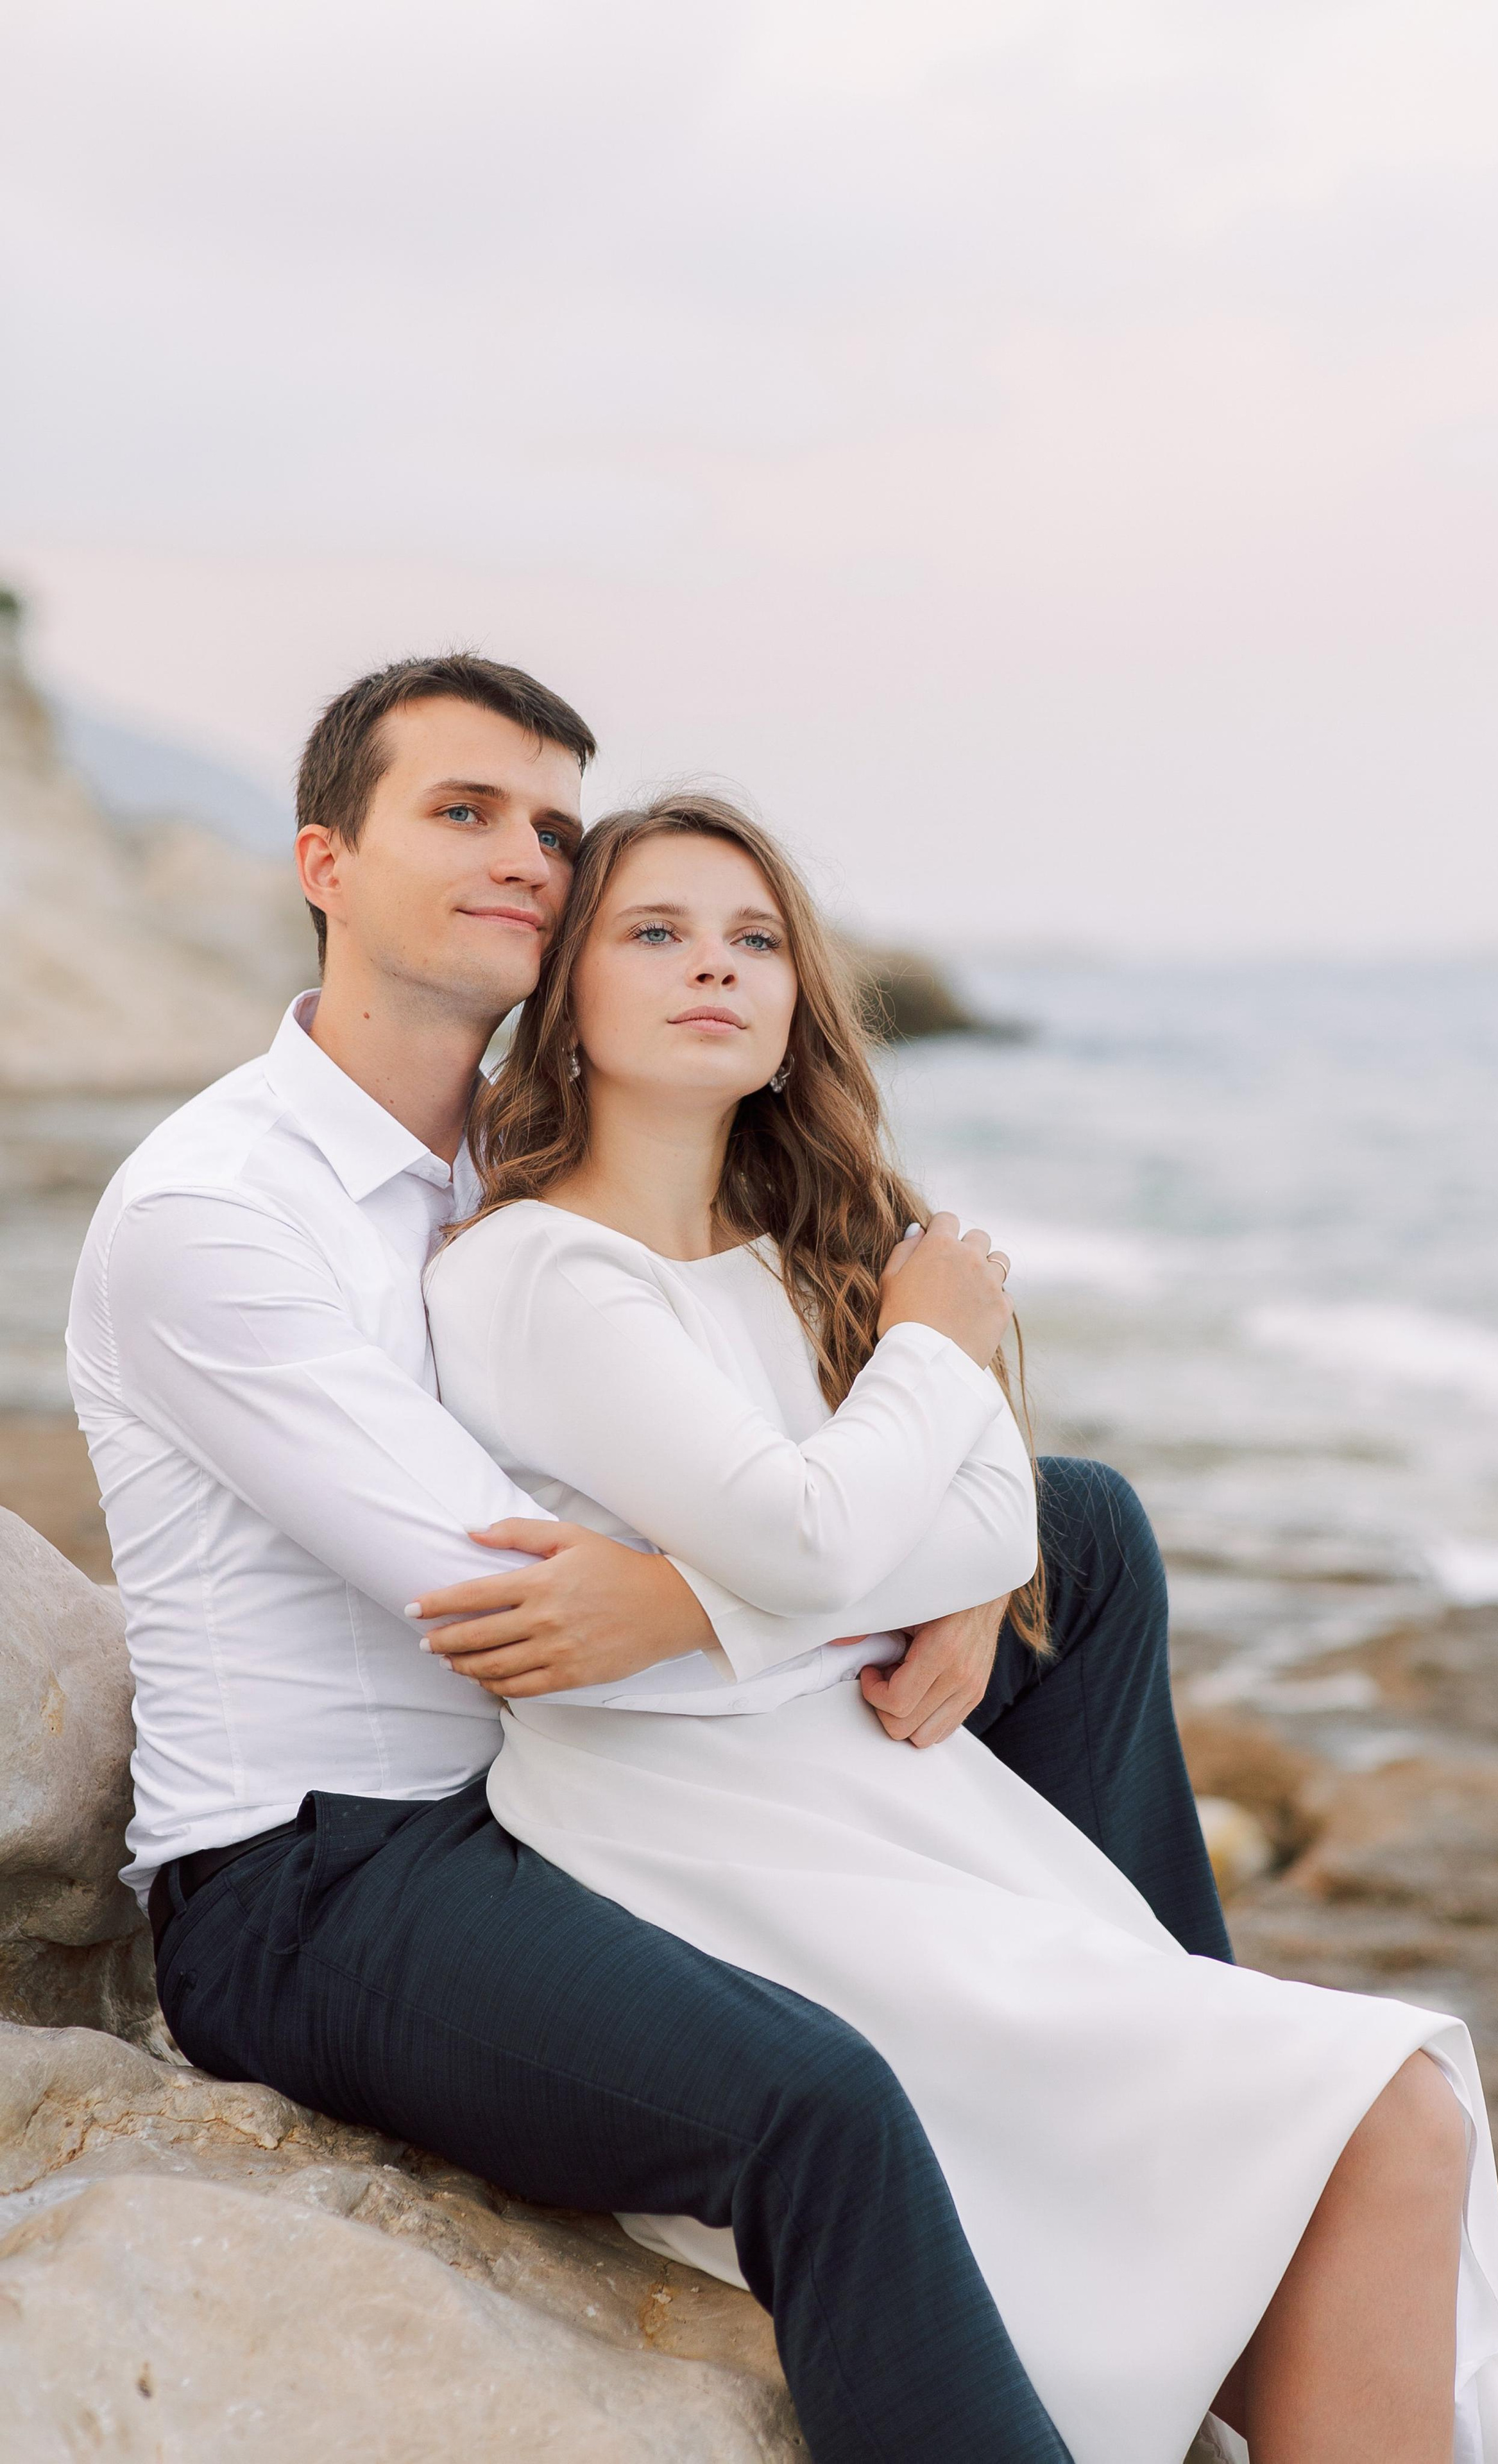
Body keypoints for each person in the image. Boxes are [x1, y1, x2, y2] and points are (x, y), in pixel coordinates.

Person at [67, 652, 1229, 2464]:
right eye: (459, 813)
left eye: (549, 822)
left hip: (583, 1787)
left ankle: (1186, 2101)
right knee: (819, 2107)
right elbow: (521, 1605)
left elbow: (730, 1525)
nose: (524, 853)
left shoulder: (520, 1172)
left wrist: (942, 1563)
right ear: (324, 866)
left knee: (1082, 1535)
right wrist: (823, 1556)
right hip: (329, 1871)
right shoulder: (220, 1213)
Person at [422, 791, 1498, 2464]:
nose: (714, 968)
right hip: (718, 1847)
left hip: (873, 1801)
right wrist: (936, 1347)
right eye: (654, 932)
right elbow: (814, 1531)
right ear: (566, 990)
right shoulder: (538, 1273)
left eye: (753, 939)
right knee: (1369, 2120)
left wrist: (695, 1595)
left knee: (1366, 2137)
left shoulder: (796, 1255)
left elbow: (985, 1516)